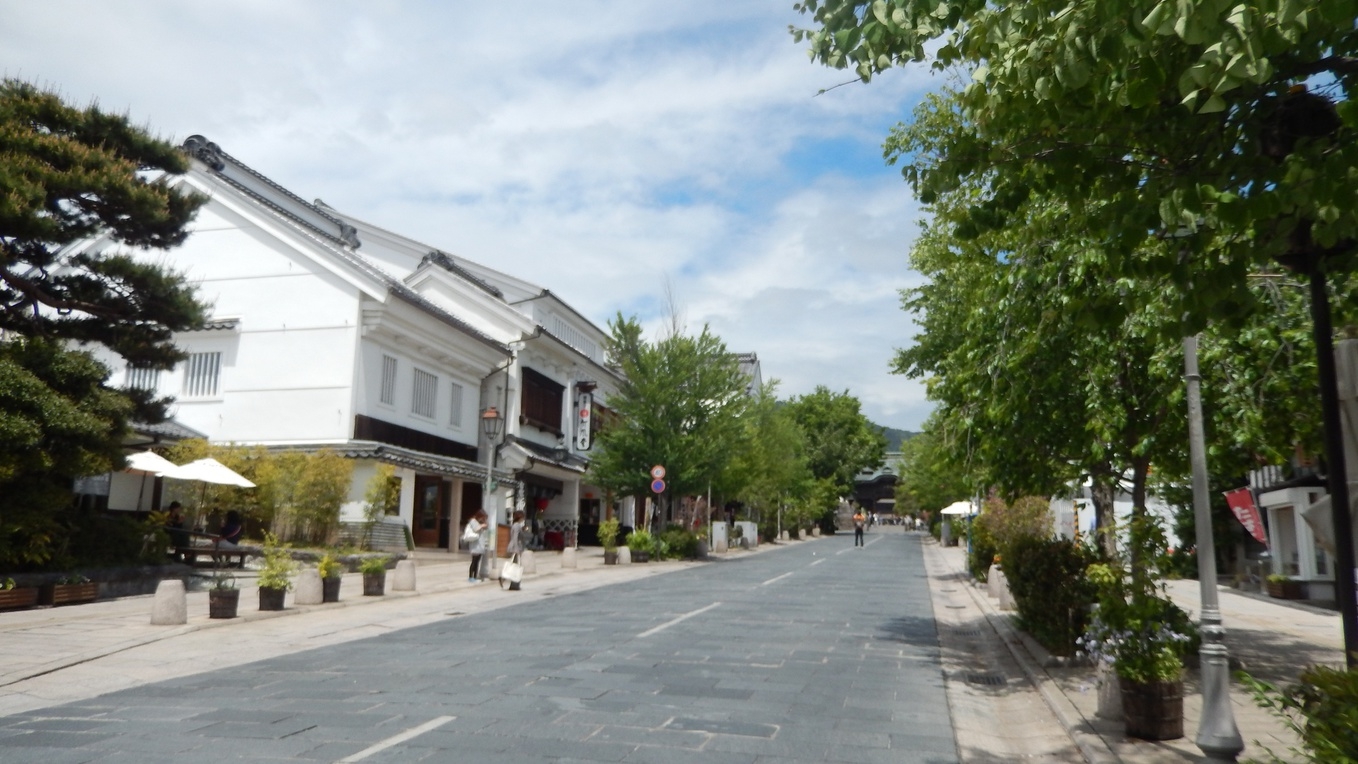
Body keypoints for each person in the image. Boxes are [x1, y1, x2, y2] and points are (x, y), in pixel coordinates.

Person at [464, 510, 489, 583]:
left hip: (480, 545)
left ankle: (475, 576)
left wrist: (484, 522)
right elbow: (476, 529)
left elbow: (486, 527)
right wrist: (481, 525)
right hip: (475, 545)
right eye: (482, 517)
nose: (482, 519)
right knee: (474, 561)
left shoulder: (479, 522)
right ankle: (471, 577)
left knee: (477, 561)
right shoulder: (473, 521)